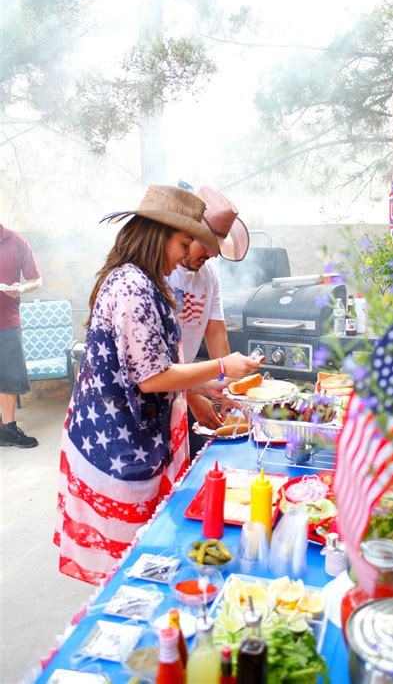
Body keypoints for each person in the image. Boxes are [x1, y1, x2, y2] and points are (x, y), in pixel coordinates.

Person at [54, 185, 263, 585]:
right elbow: (152, 379)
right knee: (126, 568)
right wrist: (221, 365)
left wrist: (203, 388)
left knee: (140, 556)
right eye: (185, 243)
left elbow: (146, 366)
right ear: (158, 235)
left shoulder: (143, 281)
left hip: (132, 433)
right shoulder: (133, 287)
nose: (188, 255)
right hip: (115, 441)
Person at [168, 186, 250, 455]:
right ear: (186, 234)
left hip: (181, 380)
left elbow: (215, 332)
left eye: (216, 248)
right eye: (205, 243)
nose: (212, 255)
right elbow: (151, 369)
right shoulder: (161, 273)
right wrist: (192, 396)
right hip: (164, 384)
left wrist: (228, 388)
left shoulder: (209, 272)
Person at [0, 224, 42, 448]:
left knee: (9, 376)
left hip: (6, 321)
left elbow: (36, 279)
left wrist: (22, 289)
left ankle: (7, 429)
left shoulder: (17, 241)